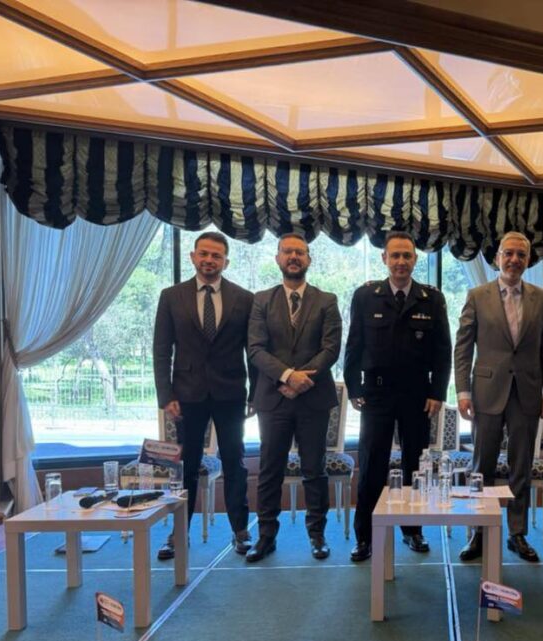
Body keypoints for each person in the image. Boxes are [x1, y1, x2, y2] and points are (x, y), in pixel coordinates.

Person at [344, 231, 452, 562]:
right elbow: (354, 344)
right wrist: (353, 387)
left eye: (407, 256)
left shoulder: (431, 298)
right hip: (376, 393)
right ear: (384, 259)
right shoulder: (366, 295)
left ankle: (413, 530)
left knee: (414, 465)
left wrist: (437, 392)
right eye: (395, 256)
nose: (401, 261)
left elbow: (443, 351)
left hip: (417, 393)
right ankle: (365, 537)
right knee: (372, 464)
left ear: (415, 259)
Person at [454, 231, 543, 563]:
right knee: (481, 465)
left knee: (521, 466)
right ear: (497, 257)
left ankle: (517, 533)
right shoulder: (477, 295)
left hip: (527, 392)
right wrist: (462, 391)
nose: (514, 260)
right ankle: (478, 531)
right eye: (508, 253)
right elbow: (463, 347)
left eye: (521, 255)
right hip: (486, 393)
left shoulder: (542, 298)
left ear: (528, 260)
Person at [153, 231, 254, 560]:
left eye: (216, 256)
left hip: (231, 393)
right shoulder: (172, 296)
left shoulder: (244, 298)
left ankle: (241, 530)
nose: (210, 260)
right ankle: (178, 533)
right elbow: (161, 349)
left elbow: (252, 350)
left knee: (235, 463)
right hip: (187, 395)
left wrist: (255, 392)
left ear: (226, 261)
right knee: (187, 466)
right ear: (193, 257)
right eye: (204, 254)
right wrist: (165, 395)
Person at [246, 234, 342, 562]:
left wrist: (302, 380)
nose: (294, 257)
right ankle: (266, 536)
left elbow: (331, 348)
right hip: (273, 399)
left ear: (309, 259)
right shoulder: (261, 300)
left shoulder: (327, 300)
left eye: (300, 252)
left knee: (314, 470)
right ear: (278, 258)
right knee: (270, 470)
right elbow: (255, 349)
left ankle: (317, 536)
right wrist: (288, 376)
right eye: (287, 251)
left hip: (313, 399)